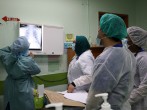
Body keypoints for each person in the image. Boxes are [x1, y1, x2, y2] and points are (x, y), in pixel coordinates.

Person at [85, 13, 136, 110]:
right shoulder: (128, 54)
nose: (98, 29)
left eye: (100, 27)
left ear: (105, 31)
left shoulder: (106, 59)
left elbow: (96, 96)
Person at [0, 36, 41, 110]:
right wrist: (31, 57)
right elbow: (37, 70)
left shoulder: (6, 57)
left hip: (10, 89)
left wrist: (15, 48)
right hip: (23, 91)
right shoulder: (28, 61)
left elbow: (1, 51)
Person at [127, 26, 147, 110]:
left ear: (135, 41)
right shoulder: (134, 56)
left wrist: (128, 101)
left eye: (127, 39)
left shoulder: (144, 58)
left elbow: (144, 86)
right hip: (132, 99)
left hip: (141, 103)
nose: (126, 41)